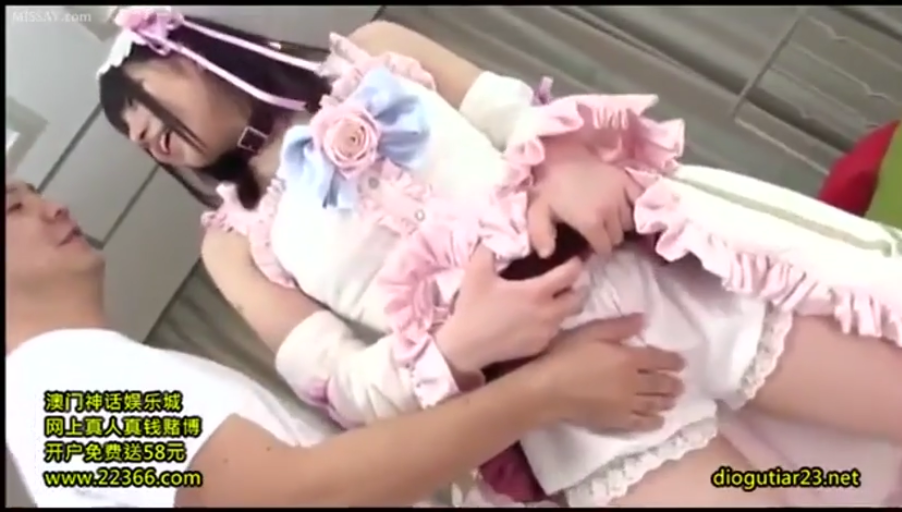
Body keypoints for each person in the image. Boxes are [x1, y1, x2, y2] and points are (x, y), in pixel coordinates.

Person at [96, 7, 902, 507]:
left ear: (185, 54)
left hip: (656, 284)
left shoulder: (372, 50)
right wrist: (458, 346)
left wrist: (568, 160)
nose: (148, 141)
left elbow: (519, 115)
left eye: (144, 111)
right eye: (137, 142)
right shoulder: (232, 245)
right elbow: (344, 386)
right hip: (582, 419)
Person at [4, 178, 687, 507]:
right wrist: (544, 391)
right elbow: (290, 499)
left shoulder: (69, 381)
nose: (53, 205)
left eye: (32, 192)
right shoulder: (58, 396)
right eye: (13, 206)